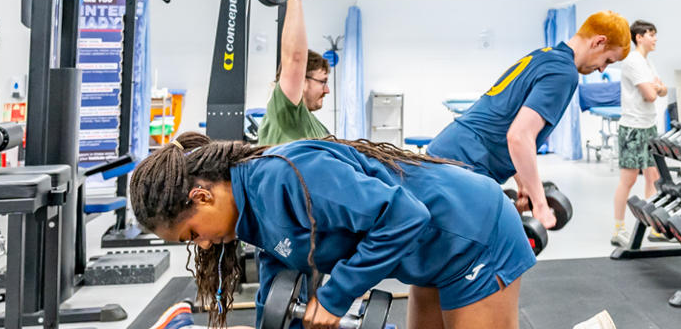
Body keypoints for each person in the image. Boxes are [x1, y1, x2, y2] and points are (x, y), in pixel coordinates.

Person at [129, 132, 532, 329]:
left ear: (201, 197)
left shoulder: (289, 175)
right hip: (431, 253)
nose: (200, 245)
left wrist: (337, 297)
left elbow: (406, 215)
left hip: (472, 231)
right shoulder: (249, 213)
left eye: (191, 234)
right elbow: (278, 292)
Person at [427, 11, 630, 230]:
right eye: (607, 60)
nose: (602, 69)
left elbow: (504, 118)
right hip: (462, 165)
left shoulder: (544, 55)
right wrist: (541, 205)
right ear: (599, 41)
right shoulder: (564, 72)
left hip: (448, 154)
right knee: (498, 250)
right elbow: (519, 136)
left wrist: (524, 182)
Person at [257, 0, 330, 146]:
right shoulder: (286, 112)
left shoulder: (316, 126)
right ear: (302, 81)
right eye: (323, 82)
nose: (327, 90)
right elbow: (295, 58)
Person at [611, 19, 666, 244]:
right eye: (651, 34)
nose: (655, 39)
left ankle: (654, 227)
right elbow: (651, 95)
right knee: (629, 179)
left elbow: (661, 90)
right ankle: (618, 229)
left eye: (655, 34)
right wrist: (656, 88)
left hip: (649, 125)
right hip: (632, 127)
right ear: (639, 37)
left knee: (654, 176)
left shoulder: (648, 63)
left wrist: (657, 87)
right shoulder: (633, 62)